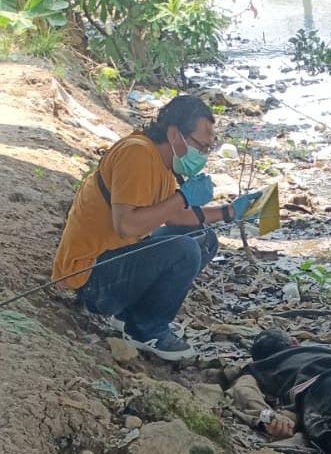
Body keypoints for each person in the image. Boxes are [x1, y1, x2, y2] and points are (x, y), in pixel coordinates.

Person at [52, 96, 261, 362]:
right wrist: (183, 196)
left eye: (208, 149)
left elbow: (175, 217)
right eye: (200, 146)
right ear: (174, 134)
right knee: (184, 250)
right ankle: (145, 329)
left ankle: (129, 317)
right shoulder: (137, 153)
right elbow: (127, 225)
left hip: (115, 265)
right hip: (89, 278)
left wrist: (229, 212)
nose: (203, 155)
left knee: (203, 238)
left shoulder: (162, 162)